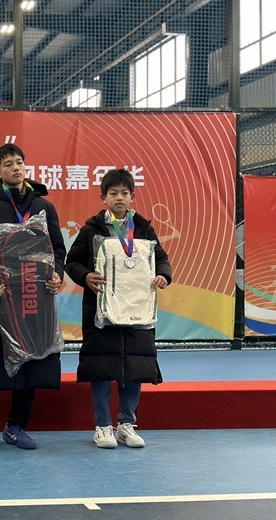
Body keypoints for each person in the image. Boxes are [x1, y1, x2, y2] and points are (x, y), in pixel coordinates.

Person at [0, 143, 66, 450]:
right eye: (8, 163)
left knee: (31, 361)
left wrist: (57, 274)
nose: (16, 167)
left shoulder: (43, 207)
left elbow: (57, 249)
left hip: (33, 299)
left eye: (19, 162)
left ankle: (16, 426)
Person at [64, 168, 171, 449]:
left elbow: (161, 257)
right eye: (113, 193)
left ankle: (126, 425)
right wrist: (85, 276)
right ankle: (102, 427)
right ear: (104, 197)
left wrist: (163, 275)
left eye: (124, 193)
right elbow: (72, 262)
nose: (119, 198)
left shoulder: (144, 228)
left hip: (137, 312)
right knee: (101, 368)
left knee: (135, 368)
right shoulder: (91, 229)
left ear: (132, 196)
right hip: (102, 312)